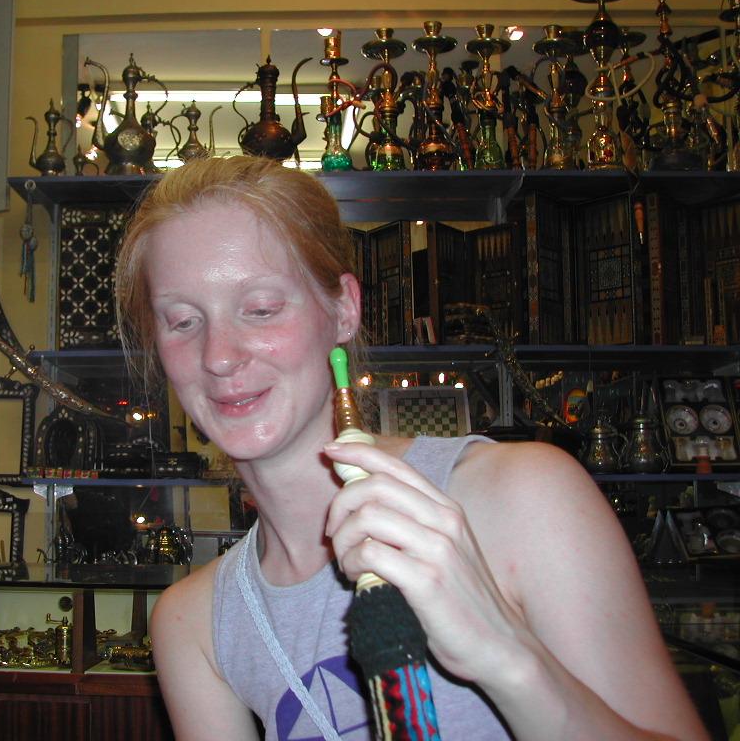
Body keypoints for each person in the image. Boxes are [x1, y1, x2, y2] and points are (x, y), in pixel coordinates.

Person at [115, 155, 708, 741]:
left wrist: (507, 657)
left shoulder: (521, 499)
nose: (219, 356)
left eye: (261, 309)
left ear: (343, 308)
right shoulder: (194, 623)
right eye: (183, 321)